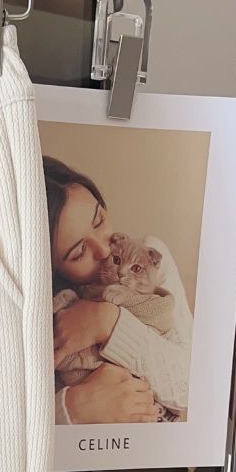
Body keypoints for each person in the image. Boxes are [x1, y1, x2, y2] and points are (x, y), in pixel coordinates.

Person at [44, 156, 192, 424]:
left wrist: (107, 322)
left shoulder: (147, 258)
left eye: (99, 221)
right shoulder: (45, 304)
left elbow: (189, 387)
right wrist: (73, 406)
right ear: (52, 269)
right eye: (79, 252)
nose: (104, 250)